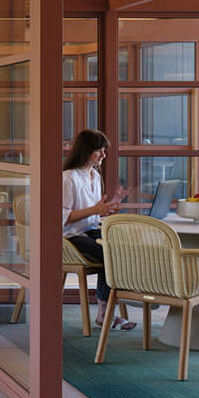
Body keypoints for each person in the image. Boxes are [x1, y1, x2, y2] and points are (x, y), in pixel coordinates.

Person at [62, 128, 133, 330]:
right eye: (99, 150)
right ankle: (105, 313)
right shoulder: (68, 178)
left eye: (104, 150)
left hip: (89, 229)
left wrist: (109, 207)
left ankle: (110, 310)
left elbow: (93, 214)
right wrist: (95, 209)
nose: (104, 155)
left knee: (122, 246)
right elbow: (62, 218)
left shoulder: (94, 175)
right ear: (86, 151)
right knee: (110, 253)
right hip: (70, 236)